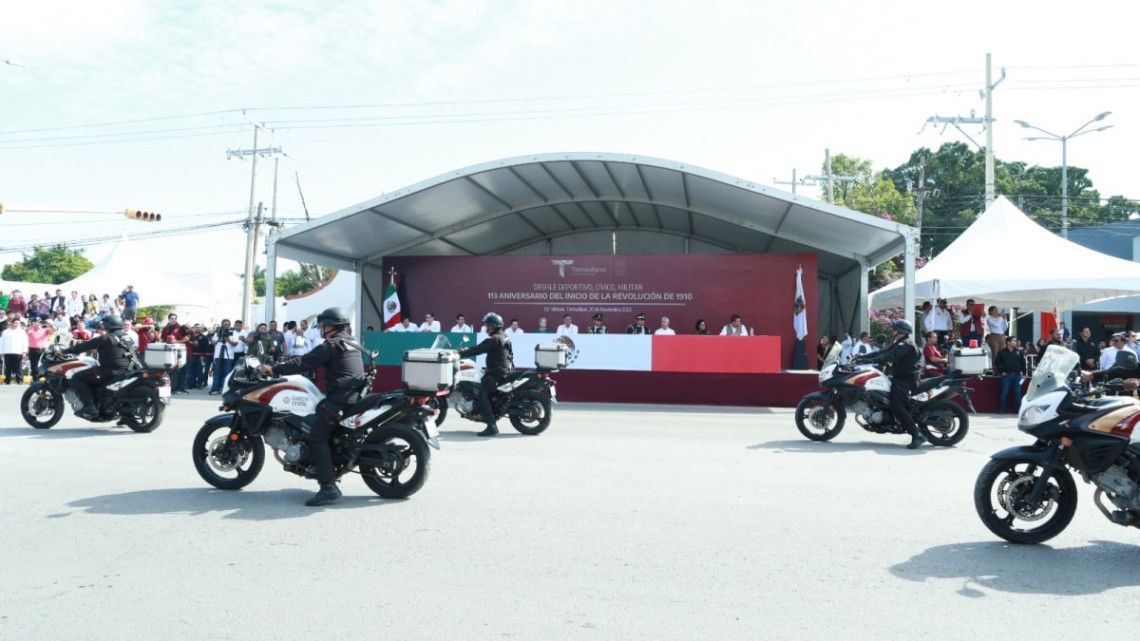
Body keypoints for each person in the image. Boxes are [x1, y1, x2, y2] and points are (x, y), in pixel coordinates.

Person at [259, 307, 366, 507]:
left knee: (316, 435)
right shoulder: (351, 343)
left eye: (322, 325)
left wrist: (273, 369)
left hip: (340, 399)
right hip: (350, 396)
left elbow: (303, 362)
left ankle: (328, 488)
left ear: (331, 326)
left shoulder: (331, 345)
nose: (320, 329)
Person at [855, 319, 926, 449]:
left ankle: (917, 435)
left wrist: (867, 362)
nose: (892, 331)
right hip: (898, 378)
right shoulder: (899, 343)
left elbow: (888, 357)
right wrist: (861, 358)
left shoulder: (906, 345)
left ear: (901, 331)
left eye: (894, 329)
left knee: (897, 406)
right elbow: (881, 352)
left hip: (905, 381)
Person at [61, 314, 136, 417]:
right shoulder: (127, 336)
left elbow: (85, 346)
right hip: (129, 369)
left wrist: (65, 351)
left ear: (108, 325)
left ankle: (90, 406)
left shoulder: (105, 338)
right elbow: (116, 349)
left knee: (77, 378)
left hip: (112, 370)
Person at [456, 312, 515, 437]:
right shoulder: (503, 336)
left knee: (483, 395)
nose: (485, 327)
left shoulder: (494, 339)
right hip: (503, 371)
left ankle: (491, 426)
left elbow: (478, 349)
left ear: (492, 326)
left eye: (487, 325)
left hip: (497, 374)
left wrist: (460, 353)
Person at [994, 336, 1027, 414]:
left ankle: (1018, 410)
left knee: (1017, 393)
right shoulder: (1002, 352)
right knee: (1004, 392)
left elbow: (1023, 364)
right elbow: (997, 363)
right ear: (1008, 342)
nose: (1015, 342)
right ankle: (1002, 409)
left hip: (1017, 375)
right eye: (1014, 341)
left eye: (1016, 341)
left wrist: (1024, 374)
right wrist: (1001, 372)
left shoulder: (1019, 352)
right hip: (1006, 375)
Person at [1, 317, 28, 385]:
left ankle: (19, 381)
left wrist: (24, 352)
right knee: (8, 368)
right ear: (12, 323)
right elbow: (1, 342)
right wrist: (1, 352)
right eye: (16, 323)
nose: (17, 324)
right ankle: (7, 381)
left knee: (18, 367)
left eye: (18, 323)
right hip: (8, 352)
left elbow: (25, 342)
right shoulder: (5, 332)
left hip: (18, 352)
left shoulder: (22, 332)